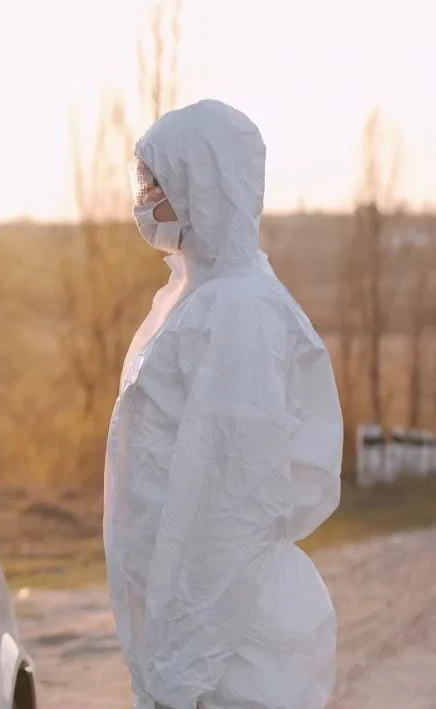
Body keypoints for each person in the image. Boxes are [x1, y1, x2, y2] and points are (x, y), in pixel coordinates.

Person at [104, 99, 343, 709]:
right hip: (204, 632)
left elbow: (231, 502)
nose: (144, 200)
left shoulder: (238, 311)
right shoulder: (196, 298)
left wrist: (181, 669)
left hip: (230, 650)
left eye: (154, 183)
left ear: (200, 185)